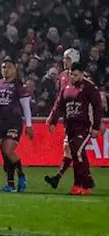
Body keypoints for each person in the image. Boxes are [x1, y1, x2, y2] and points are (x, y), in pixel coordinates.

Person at [44, 63, 103, 195]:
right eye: (71, 74)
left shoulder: (89, 87)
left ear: (82, 74)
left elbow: (97, 107)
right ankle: (82, 184)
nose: (73, 77)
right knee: (77, 155)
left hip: (84, 126)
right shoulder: (66, 88)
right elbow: (58, 105)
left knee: (77, 152)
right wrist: (53, 121)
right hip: (70, 127)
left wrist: (96, 126)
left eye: (76, 75)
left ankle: (83, 184)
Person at [0, 56, 33, 193]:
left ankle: (22, 175)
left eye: (9, 67)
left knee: (8, 149)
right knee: (5, 155)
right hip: (1, 123)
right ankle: (10, 184)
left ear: (15, 68)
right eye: (4, 67)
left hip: (15, 122)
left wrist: (29, 125)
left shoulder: (20, 86)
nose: (6, 70)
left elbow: (26, 106)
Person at [44, 48, 82, 190]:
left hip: (81, 119)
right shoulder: (62, 76)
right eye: (64, 58)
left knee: (74, 150)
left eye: (67, 59)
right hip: (69, 118)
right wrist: (53, 117)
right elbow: (60, 100)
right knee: (72, 150)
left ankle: (75, 182)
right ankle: (83, 180)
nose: (64, 61)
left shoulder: (83, 76)